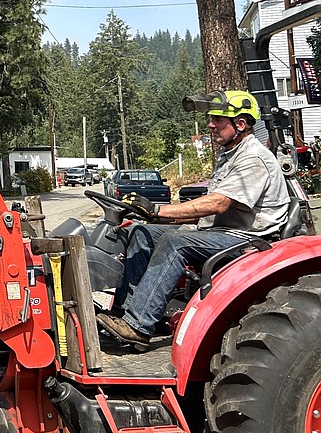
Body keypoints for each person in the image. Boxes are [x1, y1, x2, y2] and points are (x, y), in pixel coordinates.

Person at [96, 90, 290, 350]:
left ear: (240, 124)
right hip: (223, 233)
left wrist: (159, 211)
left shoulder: (253, 158)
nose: (210, 125)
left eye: (218, 120)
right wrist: (149, 216)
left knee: (175, 243)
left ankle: (139, 326)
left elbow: (219, 204)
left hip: (248, 241)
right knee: (142, 233)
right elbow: (207, 210)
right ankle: (124, 314)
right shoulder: (230, 155)